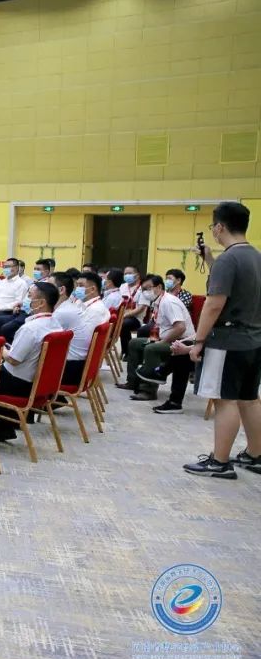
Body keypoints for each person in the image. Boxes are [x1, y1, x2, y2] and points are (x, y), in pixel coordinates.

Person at [182, 202, 261, 478]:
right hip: (253, 338)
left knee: (224, 400)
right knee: (249, 399)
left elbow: (214, 303)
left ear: (219, 227)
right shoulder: (255, 256)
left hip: (227, 340)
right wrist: (210, 260)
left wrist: (198, 341)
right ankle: (255, 454)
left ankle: (220, 462)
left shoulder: (229, 259)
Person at [0, 282, 63, 444]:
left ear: (41, 303)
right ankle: (7, 424)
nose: (26, 300)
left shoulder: (31, 329)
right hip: (40, 384)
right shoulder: (55, 324)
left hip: (18, 383)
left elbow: (13, 359)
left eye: (30, 296)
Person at [118, 274, 195, 401]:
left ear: (159, 287)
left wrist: (162, 342)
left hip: (182, 342)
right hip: (169, 338)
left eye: (148, 288)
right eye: (143, 289)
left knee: (152, 349)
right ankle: (133, 381)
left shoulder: (169, 302)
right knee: (134, 343)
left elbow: (180, 327)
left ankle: (148, 390)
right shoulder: (158, 301)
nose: (145, 292)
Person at [49, 272, 94, 386]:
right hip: (77, 365)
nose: (44, 290)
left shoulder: (63, 313)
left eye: (49, 286)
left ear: (61, 290)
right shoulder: (68, 306)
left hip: (70, 369)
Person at [117, 265, 149, 357]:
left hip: (136, 318)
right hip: (122, 316)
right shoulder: (122, 287)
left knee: (124, 324)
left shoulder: (143, 288)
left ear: (137, 275)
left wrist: (124, 315)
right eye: (125, 273)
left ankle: (128, 352)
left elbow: (141, 308)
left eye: (130, 273)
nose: (127, 275)